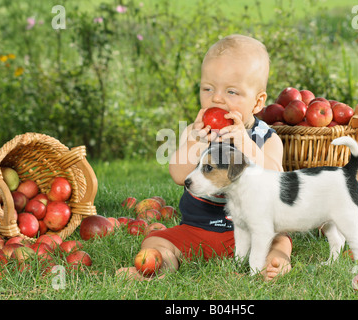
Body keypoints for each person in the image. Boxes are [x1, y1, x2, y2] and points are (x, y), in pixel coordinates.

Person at [117, 34, 292, 281]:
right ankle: (160, 266)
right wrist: (197, 142)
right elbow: (178, 175)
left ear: (257, 102)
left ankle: (275, 264)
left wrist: (247, 145)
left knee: (280, 240)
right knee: (156, 239)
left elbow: (278, 181)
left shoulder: (265, 138)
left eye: (231, 91)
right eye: (208, 88)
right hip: (197, 229)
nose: (217, 98)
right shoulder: (196, 132)